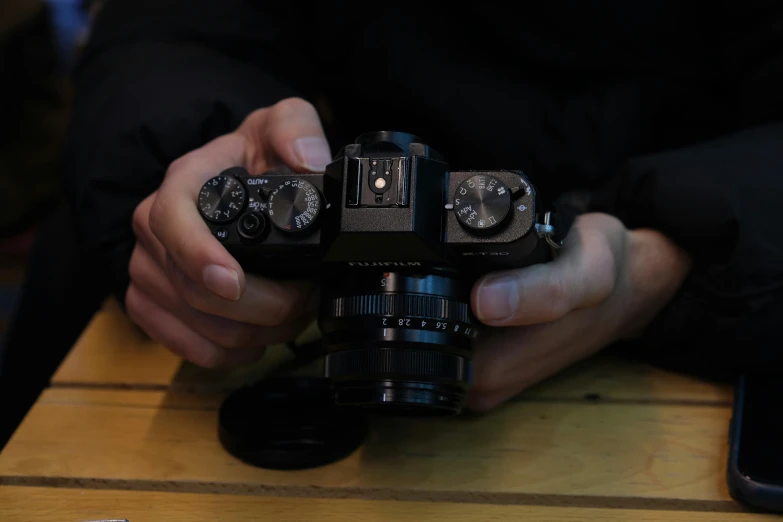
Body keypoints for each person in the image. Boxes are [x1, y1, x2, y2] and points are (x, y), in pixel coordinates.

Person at [3, 0, 782, 428]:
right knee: (88, 245)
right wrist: (202, 170)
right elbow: (176, 31)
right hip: (303, 294)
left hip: (679, 256)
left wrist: (672, 256)